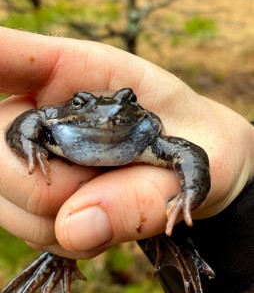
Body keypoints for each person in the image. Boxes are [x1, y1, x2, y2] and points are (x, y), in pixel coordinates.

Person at [0, 27, 253, 292]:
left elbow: (189, 153)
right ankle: (60, 255)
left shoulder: (149, 141)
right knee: (53, 206)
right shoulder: (51, 127)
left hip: (141, 157)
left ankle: (169, 239)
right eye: (80, 103)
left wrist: (191, 192)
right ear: (68, 108)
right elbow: (33, 119)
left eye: (128, 100)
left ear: (141, 111)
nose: (107, 114)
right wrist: (27, 144)